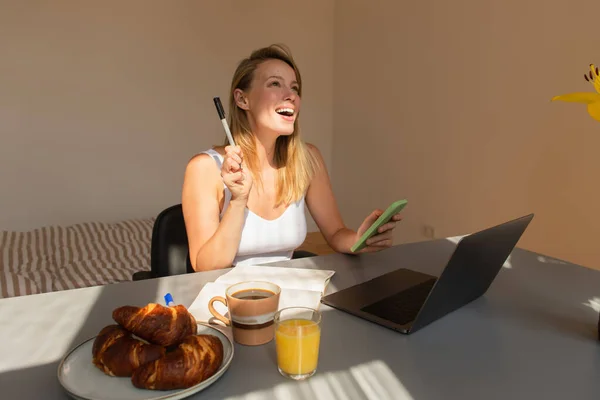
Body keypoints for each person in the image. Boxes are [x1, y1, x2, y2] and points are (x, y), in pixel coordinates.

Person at [181, 44, 403, 272]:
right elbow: (205, 267)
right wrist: (237, 201)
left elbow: (336, 233)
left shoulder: (308, 159)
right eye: (275, 84)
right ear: (242, 99)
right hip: (227, 300)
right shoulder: (204, 168)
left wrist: (359, 239)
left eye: (295, 88)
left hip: (288, 297)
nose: (291, 96)